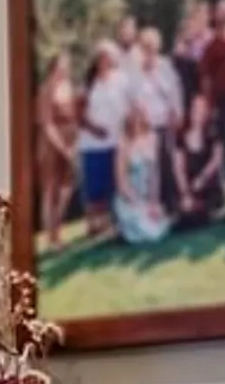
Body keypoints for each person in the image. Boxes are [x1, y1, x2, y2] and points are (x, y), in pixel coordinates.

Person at [78, 39, 130, 217]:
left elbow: (130, 105)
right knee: (95, 187)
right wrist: (95, 129)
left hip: (116, 141)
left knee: (113, 184)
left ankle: (113, 221)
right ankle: (93, 222)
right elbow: (80, 115)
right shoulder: (89, 84)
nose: (105, 61)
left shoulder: (121, 80)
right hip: (93, 144)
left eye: (108, 57)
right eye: (101, 58)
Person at [36, 53, 88, 220]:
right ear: (54, 67)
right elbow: (47, 123)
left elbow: (78, 116)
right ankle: (50, 232)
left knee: (67, 187)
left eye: (67, 66)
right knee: (51, 188)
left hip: (71, 140)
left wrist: (74, 144)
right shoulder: (47, 89)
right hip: (52, 143)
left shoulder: (71, 87)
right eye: (61, 66)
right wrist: (63, 148)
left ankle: (57, 226)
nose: (65, 69)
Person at [112, 105, 168, 246]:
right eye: (133, 120)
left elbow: (155, 173)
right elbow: (121, 183)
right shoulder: (123, 145)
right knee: (147, 233)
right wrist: (139, 204)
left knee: (159, 229)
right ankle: (125, 226)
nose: (137, 123)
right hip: (130, 199)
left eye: (139, 118)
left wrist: (153, 202)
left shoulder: (152, 139)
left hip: (147, 196)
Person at [171, 92, 225, 227]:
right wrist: (185, 192)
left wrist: (202, 178)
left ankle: (201, 210)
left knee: (205, 207)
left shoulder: (212, 132)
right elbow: (178, 167)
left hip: (206, 183)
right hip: (187, 184)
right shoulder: (181, 135)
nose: (199, 112)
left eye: (202, 109)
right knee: (185, 210)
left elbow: (217, 159)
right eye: (196, 108)